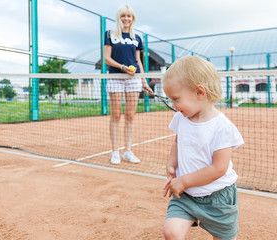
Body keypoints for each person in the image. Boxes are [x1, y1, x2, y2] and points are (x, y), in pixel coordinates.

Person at [162, 56, 244, 240]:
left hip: (218, 198)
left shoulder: (222, 127)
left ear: (199, 92)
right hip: (186, 196)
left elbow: (219, 168)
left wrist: (183, 181)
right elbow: (177, 141)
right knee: (171, 231)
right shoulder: (180, 118)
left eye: (176, 99)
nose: (173, 106)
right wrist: (171, 163)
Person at [104, 5, 153, 164]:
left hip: (134, 79)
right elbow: (106, 58)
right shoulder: (110, 35)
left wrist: (143, 80)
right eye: (124, 16)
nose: (126, 19)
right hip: (115, 77)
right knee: (116, 115)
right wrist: (122, 67)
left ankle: (128, 151)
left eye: (129, 16)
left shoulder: (137, 38)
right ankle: (115, 151)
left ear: (133, 19)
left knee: (130, 116)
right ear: (119, 17)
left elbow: (138, 60)